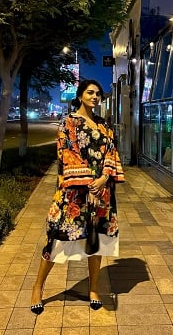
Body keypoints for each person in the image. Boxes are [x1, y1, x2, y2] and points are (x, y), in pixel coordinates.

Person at [30, 79, 125, 314]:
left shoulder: (104, 125)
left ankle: (93, 289)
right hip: (74, 193)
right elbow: (67, 154)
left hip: (101, 192)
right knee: (57, 238)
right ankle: (37, 287)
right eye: (90, 92)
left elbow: (111, 153)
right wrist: (89, 186)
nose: (95, 96)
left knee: (97, 239)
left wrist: (103, 179)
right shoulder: (68, 123)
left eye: (98, 93)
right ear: (80, 95)